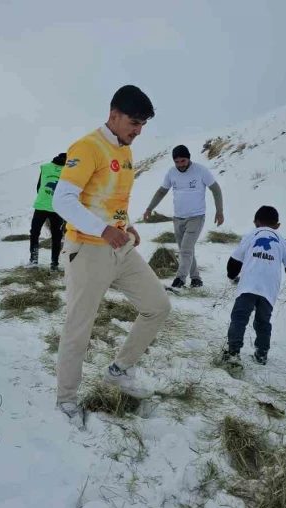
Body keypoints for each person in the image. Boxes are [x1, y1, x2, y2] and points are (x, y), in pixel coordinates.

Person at [52, 85, 172, 427]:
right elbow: (63, 201)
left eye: (143, 124)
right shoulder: (88, 147)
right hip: (87, 250)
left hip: (120, 247)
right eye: (134, 122)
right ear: (113, 116)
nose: (139, 130)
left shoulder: (127, 151)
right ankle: (66, 399)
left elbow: (110, 200)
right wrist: (103, 229)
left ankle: (119, 370)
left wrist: (126, 225)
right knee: (79, 325)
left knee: (158, 306)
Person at [223, 206, 286, 365]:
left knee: (239, 318)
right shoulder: (281, 240)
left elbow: (235, 260)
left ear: (255, 222)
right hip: (269, 288)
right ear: (277, 225)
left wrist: (232, 277)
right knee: (263, 321)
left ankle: (233, 352)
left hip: (248, 285)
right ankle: (262, 353)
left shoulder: (251, 235)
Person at [144, 145, 224, 289]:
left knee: (186, 249)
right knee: (186, 250)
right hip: (178, 218)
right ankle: (196, 279)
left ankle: (179, 280)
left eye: (183, 161)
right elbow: (162, 191)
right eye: (177, 162)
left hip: (196, 217)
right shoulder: (171, 173)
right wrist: (150, 208)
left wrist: (219, 212)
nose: (180, 165)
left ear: (189, 158)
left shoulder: (200, 171)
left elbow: (216, 189)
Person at [30, 153, 66, 269]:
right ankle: (54, 264)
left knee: (34, 233)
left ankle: (33, 260)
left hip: (41, 205)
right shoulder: (68, 171)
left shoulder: (46, 167)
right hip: (57, 208)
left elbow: (39, 186)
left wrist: (45, 198)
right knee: (57, 236)